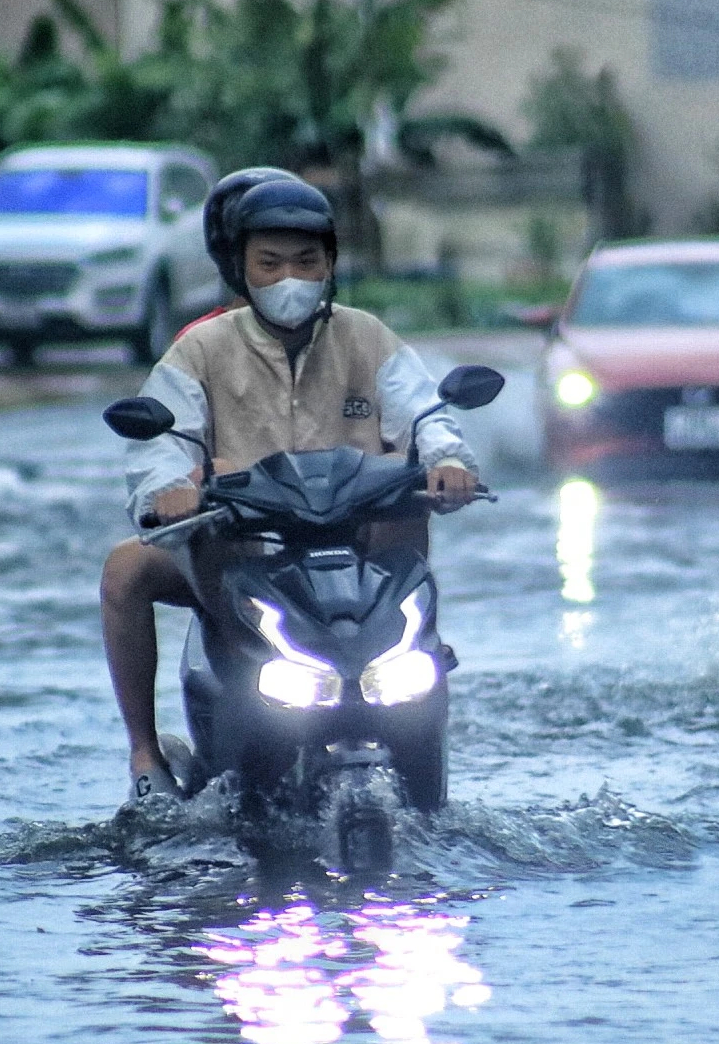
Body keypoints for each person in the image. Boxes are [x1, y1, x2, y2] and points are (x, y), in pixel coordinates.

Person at [100, 172, 480, 800]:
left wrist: (447, 461)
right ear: (241, 268)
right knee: (123, 570)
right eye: (270, 262)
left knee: (412, 503)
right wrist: (169, 487)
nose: (289, 278)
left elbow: (426, 413)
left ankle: (418, 674)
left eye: (307, 260)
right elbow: (159, 439)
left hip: (357, 547)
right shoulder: (201, 350)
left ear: (331, 261)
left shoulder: (368, 337)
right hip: (242, 546)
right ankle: (145, 756)